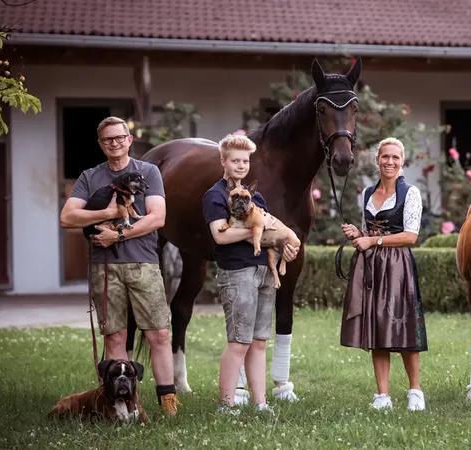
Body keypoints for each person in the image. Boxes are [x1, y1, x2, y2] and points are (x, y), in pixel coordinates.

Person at [60, 116, 179, 416]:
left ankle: (169, 403)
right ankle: (121, 406)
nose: (114, 143)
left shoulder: (148, 171)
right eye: (107, 139)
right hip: (104, 267)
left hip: (144, 263)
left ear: (129, 140)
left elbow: (157, 217)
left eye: (119, 137)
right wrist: (107, 212)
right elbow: (67, 218)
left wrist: (119, 234)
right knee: (114, 336)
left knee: (159, 334)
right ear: (101, 145)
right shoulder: (90, 177)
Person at [202, 134, 299, 415]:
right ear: (223, 161)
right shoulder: (216, 195)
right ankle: (227, 404)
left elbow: (271, 233)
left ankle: (260, 403)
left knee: (258, 341)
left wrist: (284, 248)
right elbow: (221, 236)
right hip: (237, 272)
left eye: (245, 161)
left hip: (264, 271)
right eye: (235, 161)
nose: (241, 165)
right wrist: (257, 232)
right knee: (239, 342)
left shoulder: (256, 196)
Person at [340, 137, 428, 411]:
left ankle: (415, 390)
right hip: (372, 266)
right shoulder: (367, 193)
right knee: (377, 325)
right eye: (385, 157)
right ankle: (383, 395)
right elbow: (369, 231)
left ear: (402, 162)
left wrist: (372, 241)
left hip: (398, 266)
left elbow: (411, 236)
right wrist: (360, 233)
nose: (389, 162)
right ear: (377, 160)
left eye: (395, 157)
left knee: (403, 325)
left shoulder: (410, 193)